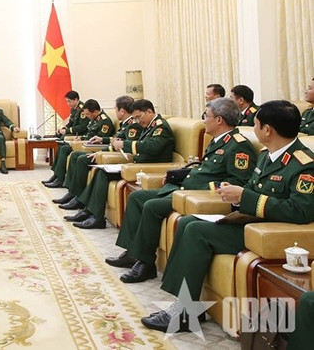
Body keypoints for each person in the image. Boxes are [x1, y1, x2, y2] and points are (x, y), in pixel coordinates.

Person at [142, 100, 314, 334]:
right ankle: (187, 305)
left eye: (255, 124)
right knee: (188, 222)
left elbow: (301, 211)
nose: (252, 128)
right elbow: (252, 188)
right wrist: (234, 196)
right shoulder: (267, 156)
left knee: (194, 230)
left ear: (267, 130)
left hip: (267, 232)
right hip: (248, 221)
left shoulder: (304, 164)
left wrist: (246, 198)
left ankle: (185, 312)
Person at [106, 97, 256, 283]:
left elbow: (236, 182)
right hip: (185, 189)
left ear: (219, 120)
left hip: (199, 195)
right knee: (138, 197)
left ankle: (146, 264)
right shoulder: (219, 140)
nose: (203, 120)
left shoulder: (238, 146)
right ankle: (133, 252)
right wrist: (179, 176)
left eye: (206, 116)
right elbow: (204, 169)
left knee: (152, 206)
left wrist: (195, 187)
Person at [65, 99, 174, 229]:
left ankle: (95, 216)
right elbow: (132, 142)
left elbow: (152, 147)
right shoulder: (150, 125)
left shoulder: (160, 127)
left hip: (149, 166)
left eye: (139, 117)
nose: (138, 121)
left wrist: (124, 144)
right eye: (135, 118)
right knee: (102, 171)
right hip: (137, 163)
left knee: (102, 172)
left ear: (149, 112)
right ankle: (91, 212)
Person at [54, 96, 139, 203]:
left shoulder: (132, 125)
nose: (114, 112)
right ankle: (72, 192)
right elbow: (117, 140)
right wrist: (102, 139)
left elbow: (124, 144)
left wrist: (100, 153)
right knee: (74, 154)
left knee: (80, 158)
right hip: (109, 150)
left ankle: (77, 197)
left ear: (122, 111)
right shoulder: (126, 123)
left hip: (118, 155)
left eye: (115, 109)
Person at [45, 99, 114, 189]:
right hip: (85, 143)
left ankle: (61, 180)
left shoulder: (105, 121)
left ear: (96, 111)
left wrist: (83, 140)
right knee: (62, 146)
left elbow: (98, 140)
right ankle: (57, 176)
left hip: (92, 148)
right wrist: (81, 138)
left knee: (66, 149)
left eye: (88, 114)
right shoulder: (95, 118)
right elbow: (89, 134)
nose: (86, 116)